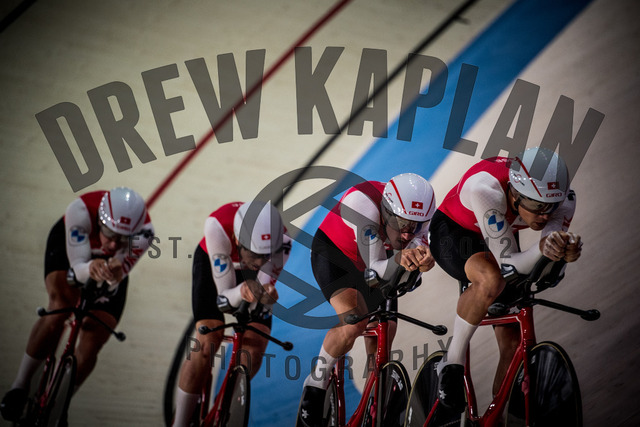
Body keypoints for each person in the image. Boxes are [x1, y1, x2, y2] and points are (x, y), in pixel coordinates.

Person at [428, 147, 583, 412]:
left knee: (513, 345)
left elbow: (546, 263)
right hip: (456, 230)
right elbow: (510, 265)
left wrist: (562, 254)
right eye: (537, 206)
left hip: (500, 230)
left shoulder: (563, 199)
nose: (546, 215)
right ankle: (451, 363)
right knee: (491, 279)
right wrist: (544, 249)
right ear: (515, 193)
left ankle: (497, 417)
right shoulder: (485, 190)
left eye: (552, 206)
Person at [0, 187, 154, 421]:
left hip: (105, 263)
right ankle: (19, 386)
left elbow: (118, 274)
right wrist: (90, 268)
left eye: (123, 239)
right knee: (60, 307)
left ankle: (60, 403)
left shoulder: (145, 232)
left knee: (95, 337)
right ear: (100, 220)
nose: (114, 245)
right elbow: (76, 271)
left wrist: (116, 271)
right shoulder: (80, 211)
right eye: (109, 234)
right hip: (73, 251)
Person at [297, 173, 437, 427]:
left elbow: (411, 266)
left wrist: (423, 263)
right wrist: (402, 259)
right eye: (402, 224)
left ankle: (377, 401)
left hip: (381, 258)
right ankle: (316, 382)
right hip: (338, 256)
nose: (408, 234)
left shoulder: (417, 219)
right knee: (354, 323)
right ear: (387, 212)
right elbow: (376, 269)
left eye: (416, 226)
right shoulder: (361, 204)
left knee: (385, 330)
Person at [173, 200, 291, 427]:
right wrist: (243, 290)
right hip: (216, 268)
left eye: (265, 255)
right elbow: (223, 300)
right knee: (207, 342)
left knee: (255, 347)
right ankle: (179, 422)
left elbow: (262, 291)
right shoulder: (216, 226)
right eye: (254, 254)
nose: (258, 262)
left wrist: (264, 295)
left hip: (250, 277)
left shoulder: (283, 242)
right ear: (237, 239)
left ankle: (222, 409)